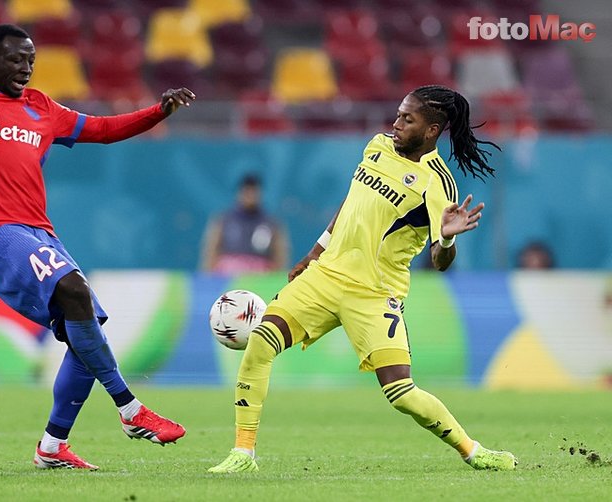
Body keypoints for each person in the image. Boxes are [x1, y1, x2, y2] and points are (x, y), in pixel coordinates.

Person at [0, 24, 196, 470]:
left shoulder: (41, 107)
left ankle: (52, 446)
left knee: (85, 327)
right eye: (15, 59)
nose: (25, 68)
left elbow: (103, 129)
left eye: (30, 60)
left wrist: (158, 112)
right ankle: (130, 410)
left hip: (40, 232)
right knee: (74, 289)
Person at [208, 85, 517, 473]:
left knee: (401, 393)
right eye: (398, 114)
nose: (396, 123)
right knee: (261, 342)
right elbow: (352, 201)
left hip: (374, 294)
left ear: (432, 130)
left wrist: (448, 237)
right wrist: (315, 252)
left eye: (407, 119)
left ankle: (474, 450)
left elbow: (441, 261)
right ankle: (243, 453)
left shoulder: (437, 182)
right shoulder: (377, 145)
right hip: (326, 276)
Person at [200, 174, 289, 273]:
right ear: (239, 193)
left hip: (260, 274)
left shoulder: (271, 223)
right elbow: (211, 250)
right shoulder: (224, 221)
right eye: (247, 191)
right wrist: (207, 274)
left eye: (254, 191)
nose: (250, 196)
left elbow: (280, 254)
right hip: (229, 274)